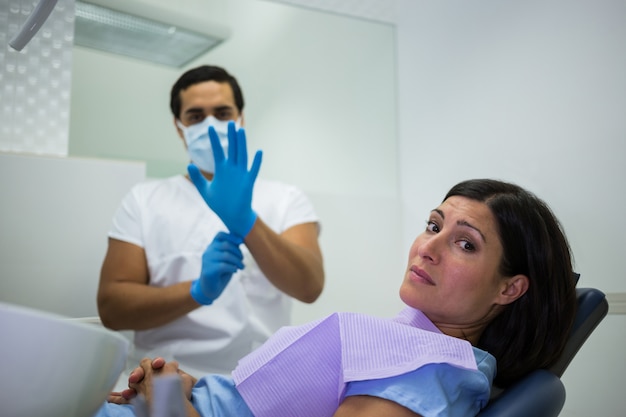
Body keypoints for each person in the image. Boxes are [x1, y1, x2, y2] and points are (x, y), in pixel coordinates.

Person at [96, 178, 577, 417]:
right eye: (433, 225)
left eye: (465, 243)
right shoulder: (413, 343)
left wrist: (173, 407)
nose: (426, 247)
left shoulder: (429, 373)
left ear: (509, 288)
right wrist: (181, 389)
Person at [97, 65, 325, 378]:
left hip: (260, 382)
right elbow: (112, 309)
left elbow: (309, 286)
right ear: (179, 127)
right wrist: (198, 290)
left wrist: (245, 221)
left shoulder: (286, 198)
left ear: (240, 117)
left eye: (222, 113)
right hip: (163, 381)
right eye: (195, 116)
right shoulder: (143, 200)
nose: (210, 124)